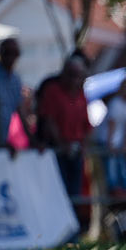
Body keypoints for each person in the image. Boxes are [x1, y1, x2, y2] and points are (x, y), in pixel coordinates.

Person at [38, 57, 92, 196]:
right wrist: (61, 144)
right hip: (58, 151)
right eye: (71, 75)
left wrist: (84, 145)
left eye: (78, 76)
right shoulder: (52, 90)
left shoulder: (81, 94)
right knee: (59, 192)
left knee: (75, 193)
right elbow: (49, 120)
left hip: (76, 151)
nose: (75, 80)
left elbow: (86, 124)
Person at [95, 79, 126, 193]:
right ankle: (113, 192)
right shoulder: (116, 103)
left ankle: (124, 190)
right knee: (111, 170)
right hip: (106, 140)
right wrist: (110, 144)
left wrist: (125, 144)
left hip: (118, 142)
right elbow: (111, 125)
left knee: (121, 168)